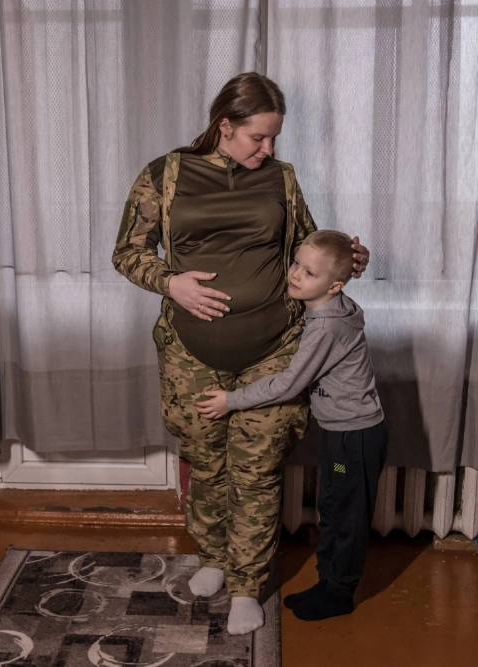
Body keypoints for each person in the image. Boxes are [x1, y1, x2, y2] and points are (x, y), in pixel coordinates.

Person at [112, 72, 370, 635]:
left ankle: (248, 585)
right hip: (191, 354)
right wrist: (169, 281)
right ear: (224, 126)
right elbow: (127, 253)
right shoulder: (165, 175)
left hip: (274, 351)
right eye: (258, 137)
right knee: (207, 463)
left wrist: (346, 255)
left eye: (275, 138)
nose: (269, 149)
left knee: (256, 472)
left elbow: (308, 245)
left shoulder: (282, 178)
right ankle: (213, 559)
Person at [197, 230, 387, 621]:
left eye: (310, 272)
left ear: (333, 286)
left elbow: (289, 384)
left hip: (354, 438)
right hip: (345, 433)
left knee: (345, 515)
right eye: (297, 264)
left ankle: (338, 593)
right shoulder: (335, 306)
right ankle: (327, 584)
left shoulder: (326, 325)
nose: (296, 274)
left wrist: (230, 400)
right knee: (332, 508)